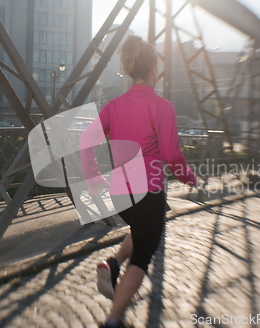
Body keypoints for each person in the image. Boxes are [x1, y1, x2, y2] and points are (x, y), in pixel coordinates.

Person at [81, 35, 197, 328]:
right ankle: (114, 318)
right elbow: (171, 154)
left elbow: (86, 139)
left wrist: (93, 176)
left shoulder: (116, 105)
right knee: (144, 254)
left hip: (121, 194)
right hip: (148, 190)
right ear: (154, 69)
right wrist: (188, 177)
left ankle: (113, 264)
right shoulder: (162, 107)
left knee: (142, 230)